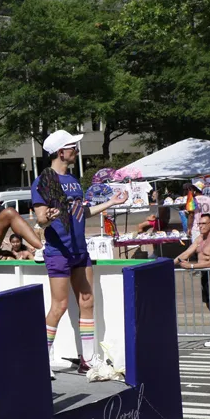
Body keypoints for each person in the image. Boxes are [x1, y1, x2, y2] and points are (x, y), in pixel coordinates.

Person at [32, 130, 128, 374]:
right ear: (60, 152)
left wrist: (111, 203)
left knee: (87, 302)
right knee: (59, 306)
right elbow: (40, 218)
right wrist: (48, 217)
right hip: (58, 252)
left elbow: (81, 212)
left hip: (80, 250)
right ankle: (42, 360)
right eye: (72, 147)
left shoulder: (74, 180)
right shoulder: (43, 180)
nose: (76, 150)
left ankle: (87, 360)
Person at [174, 213, 210, 348]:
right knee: (209, 304)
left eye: (203, 224)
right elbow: (186, 253)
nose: (200, 226)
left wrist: (191, 266)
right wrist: (168, 265)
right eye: (199, 224)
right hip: (205, 276)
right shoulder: (200, 239)